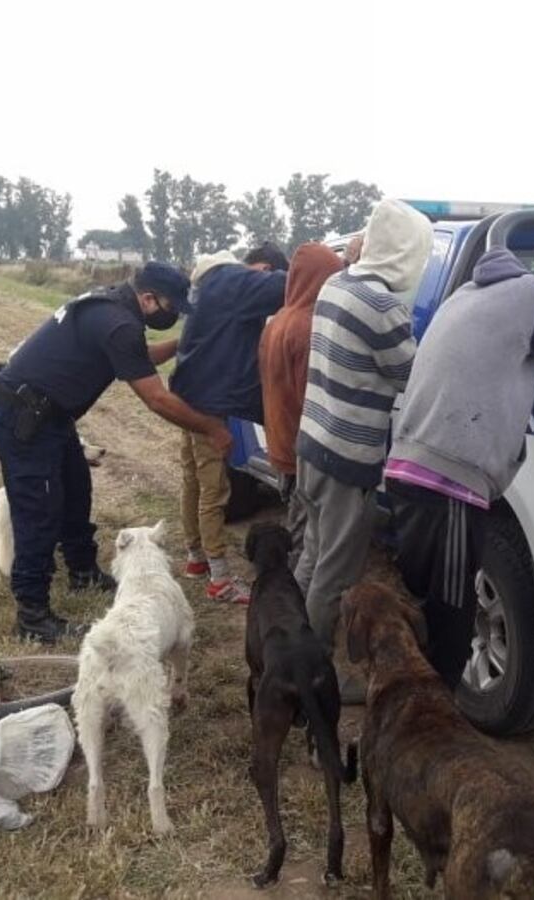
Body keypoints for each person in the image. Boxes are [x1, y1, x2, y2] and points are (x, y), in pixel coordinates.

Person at [384, 247, 534, 688]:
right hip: (451, 480)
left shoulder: (463, 295)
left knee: (419, 600)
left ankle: (405, 696)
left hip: (406, 465)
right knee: (451, 613)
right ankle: (435, 718)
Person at [0, 262, 231, 643]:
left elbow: (139, 357)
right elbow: (156, 399)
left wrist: (184, 345)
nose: (175, 315)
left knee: (76, 488)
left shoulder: (113, 309)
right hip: (23, 414)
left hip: (50, 414)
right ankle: (32, 615)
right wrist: (212, 427)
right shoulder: (118, 323)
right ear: (149, 298)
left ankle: (83, 571)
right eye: (173, 306)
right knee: (40, 508)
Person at [294, 199, 432, 691]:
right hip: (347, 460)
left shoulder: (338, 284)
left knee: (312, 554)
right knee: (336, 573)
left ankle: (292, 647)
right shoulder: (383, 308)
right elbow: (410, 377)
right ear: (406, 253)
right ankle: (317, 675)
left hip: (311, 443)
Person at [169, 243, 288, 604]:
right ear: (262, 268)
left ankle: (196, 558)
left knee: (193, 481)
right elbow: (289, 285)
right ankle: (220, 579)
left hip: (187, 397)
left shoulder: (208, 284)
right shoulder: (235, 281)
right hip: (206, 406)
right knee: (214, 490)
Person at [258, 243, 343, 565]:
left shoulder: (278, 320)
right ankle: (295, 602)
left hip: (280, 442)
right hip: (300, 449)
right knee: (305, 542)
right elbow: (314, 397)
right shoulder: (308, 327)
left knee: (296, 523)